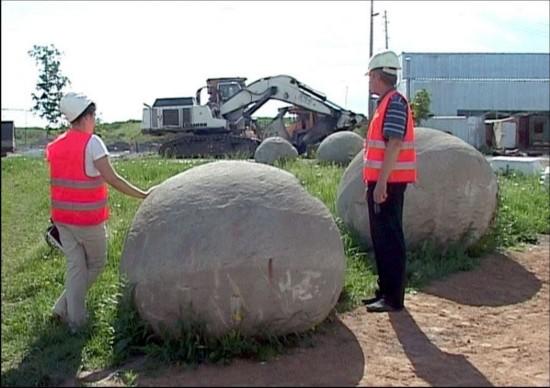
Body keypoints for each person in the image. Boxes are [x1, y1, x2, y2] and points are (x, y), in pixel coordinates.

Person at [45, 92, 156, 332]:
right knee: (95, 264)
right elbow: (112, 178)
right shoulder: (92, 143)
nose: (94, 120)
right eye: (93, 115)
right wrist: (143, 194)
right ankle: (76, 321)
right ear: (86, 117)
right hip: (88, 220)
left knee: (76, 267)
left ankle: (62, 309)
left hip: (62, 219)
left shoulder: (55, 146)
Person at [362, 51, 417, 313]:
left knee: (390, 239)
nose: (369, 82)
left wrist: (382, 183)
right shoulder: (386, 102)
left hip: (389, 184)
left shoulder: (394, 103)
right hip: (382, 182)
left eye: (370, 77)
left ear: (377, 76)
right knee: (382, 238)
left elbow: (394, 144)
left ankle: (393, 298)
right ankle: (384, 291)